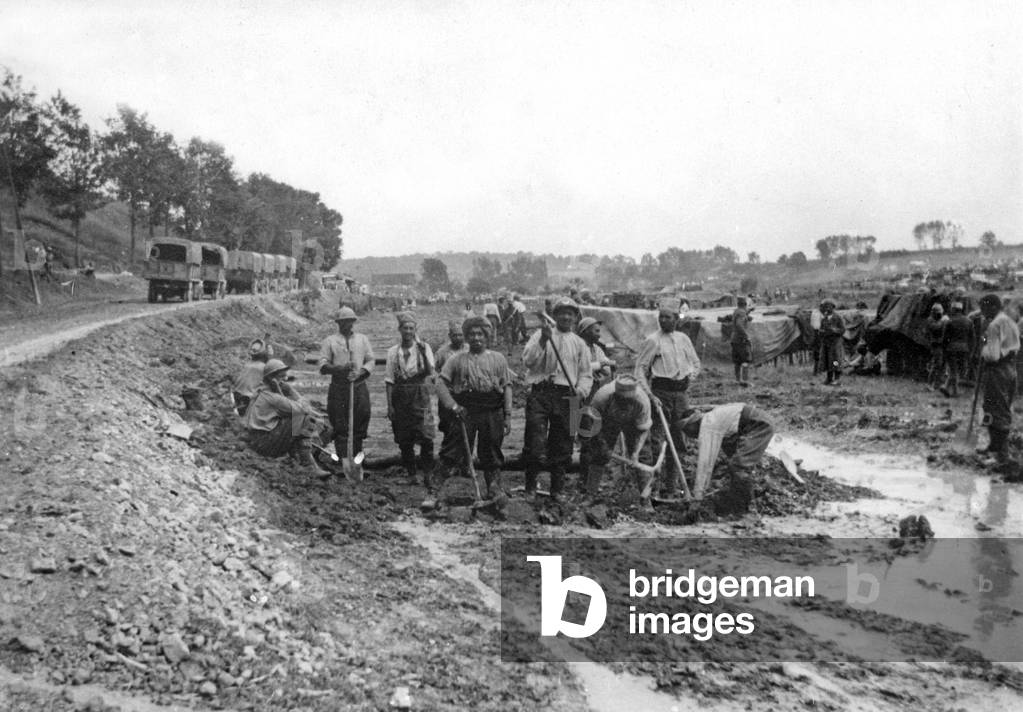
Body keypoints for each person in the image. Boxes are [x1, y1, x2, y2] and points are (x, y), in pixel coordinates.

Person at [521, 297, 593, 499]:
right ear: (555, 316)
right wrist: (543, 340)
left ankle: (557, 489)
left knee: (563, 444)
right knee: (535, 441)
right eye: (562, 313)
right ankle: (530, 487)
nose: (566, 317)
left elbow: (586, 374)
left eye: (570, 313)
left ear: (575, 318)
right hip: (540, 393)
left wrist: (581, 390)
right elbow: (528, 362)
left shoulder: (579, 344)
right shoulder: (540, 335)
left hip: (567, 396)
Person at [435, 317, 514, 497]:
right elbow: (440, 384)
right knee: (452, 451)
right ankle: (434, 491)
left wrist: (508, 415)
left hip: (492, 411)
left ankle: (494, 489)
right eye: (471, 334)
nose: (476, 338)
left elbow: (507, 386)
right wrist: (454, 407)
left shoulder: (498, 358)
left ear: (486, 336)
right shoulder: (457, 359)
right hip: (466, 412)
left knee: (491, 452)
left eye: (480, 334)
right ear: (466, 337)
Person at [634, 307, 701, 497]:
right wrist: (649, 395)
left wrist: (689, 378)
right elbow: (640, 370)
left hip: (681, 395)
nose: (663, 321)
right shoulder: (652, 341)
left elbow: (696, 363)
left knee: (678, 439)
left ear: (676, 320)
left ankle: (671, 488)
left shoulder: (683, 339)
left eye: (668, 317)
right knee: (658, 440)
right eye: (661, 317)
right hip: (660, 394)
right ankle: (653, 488)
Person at [678, 403, 775, 513]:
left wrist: (698, 496)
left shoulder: (708, 426)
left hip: (758, 424)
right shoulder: (713, 419)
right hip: (749, 423)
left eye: (686, 429)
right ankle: (738, 500)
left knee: (738, 466)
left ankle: (747, 509)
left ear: (693, 423)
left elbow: (705, 464)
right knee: (735, 462)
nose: (688, 434)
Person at [243, 359, 327, 476]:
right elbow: (304, 409)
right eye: (282, 377)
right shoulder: (272, 397)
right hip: (263, 444)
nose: (285, 379)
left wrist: (279, 389)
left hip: (257, 440)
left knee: (295, 420)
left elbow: (286, 407)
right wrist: (291, 391)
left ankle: (300, 455)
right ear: (272, 379)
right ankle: (308, 465)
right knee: (301, 417)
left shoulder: (262, 391)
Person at [578, 375, 652, 501]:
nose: (625, 402)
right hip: (607, 420)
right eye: (621, 399)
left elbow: (643, 431)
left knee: (643, 458)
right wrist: (602, 444)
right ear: (616, 394)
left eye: (628, 400)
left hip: (633, 423)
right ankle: (590, 494)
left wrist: (636, 452)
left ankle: (646, 499)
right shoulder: (602, 397)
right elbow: (592, 424)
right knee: (599, 455)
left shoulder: (642, 402)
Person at [384, 312, 437, 484]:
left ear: (415, 330)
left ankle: (428, 474)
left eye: (411, 328)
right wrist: (390, 405)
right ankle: (412, 475)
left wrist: (423, 352)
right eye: (405, 328)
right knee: (404, 438)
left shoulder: (424, 348)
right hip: (400, 395)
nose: (408, 331)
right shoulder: (393, 352)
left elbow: (430, 372)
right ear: (399, 330)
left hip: (419, 393)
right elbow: (389, 380)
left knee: (426, 436)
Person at [318, 307, 375, 464]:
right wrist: (340, 369)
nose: (347, 325)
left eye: (350, 321)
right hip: (339, 388)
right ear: (338, 323)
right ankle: (343, 460)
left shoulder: (362, 339)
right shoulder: (330, 341)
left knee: (361, 419)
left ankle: (356, 460)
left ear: (353, 322)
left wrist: (360, 372)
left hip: (358, 386)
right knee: (340, 423)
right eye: (343, 322)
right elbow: (322, 366)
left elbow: (370, 360)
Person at [978, 294, 1019, 467]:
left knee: (995, 409)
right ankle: (994, 446)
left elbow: (992, 355)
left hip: (997, 370)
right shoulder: (1010, 322)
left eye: (984, 308)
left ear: (993, 307)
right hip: (1010, 369)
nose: (982, 312)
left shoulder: (994, 325)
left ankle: (1001, 455)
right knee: (1001, 406)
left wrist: (983, 349)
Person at [434, 320, 470, 479]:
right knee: (449, 430)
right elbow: (434, 374)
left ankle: (466, 465)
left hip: (466, 395)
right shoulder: (442, 352)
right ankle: (449, 464)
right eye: (455, 335)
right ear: (450, 336)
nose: (458, 338)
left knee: (467, 431)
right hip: (448, 396)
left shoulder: (470, 349)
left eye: (461, 335)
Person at [940, 303, 974, 397]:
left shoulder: (950, 322)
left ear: (954, 309)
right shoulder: (969, 321)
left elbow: (945, 338)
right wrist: (970, 350)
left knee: (953, 370)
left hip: (951, 348)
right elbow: (972, 338)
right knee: (957, 370)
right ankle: (950, 389)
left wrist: (944, 349)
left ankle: (950, 389)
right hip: (964, 349)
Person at [577, 317, 615, 398]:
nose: (599, 335)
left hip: (593, 388)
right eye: (596, 331)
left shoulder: (596, 348)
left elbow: (607, 366)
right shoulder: (577, 346)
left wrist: (609, 365)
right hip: (578, 389)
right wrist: (599, 365)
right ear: (586, 331)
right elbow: (577, 368)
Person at [233, 338, 272, 415]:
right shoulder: (250, 363)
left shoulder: (262, 366)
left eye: (255, 349)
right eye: (252, 349)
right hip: (240, 393)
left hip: (247, 396)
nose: (253, 350)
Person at [818, 300, 844, 386]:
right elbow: (821, 329)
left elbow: (842, 330)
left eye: (829, 307)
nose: (827, 309)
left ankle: (837, 378)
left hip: (835, 343)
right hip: (826, 343)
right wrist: (821, 331)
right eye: (826, 307)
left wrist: (834, 330)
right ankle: (829, 378)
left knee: (835, 361)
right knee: (827, 360)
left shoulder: (838, 318)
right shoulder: (824, 319)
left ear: (833, 308)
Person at [925, 303, 949, 389]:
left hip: (943, 345)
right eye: (937, 312)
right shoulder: (930, 320)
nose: (939, 314)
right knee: (937, 364)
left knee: (943, 365)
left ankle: (938, 384)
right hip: (936, 345)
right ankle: (930, 383)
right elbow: (936, 328)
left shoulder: (942, 320)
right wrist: (943, 321)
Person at [731, 297, 753, 386]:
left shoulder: (736, 311)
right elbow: (739, 325)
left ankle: (738, 380)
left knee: (737, 361)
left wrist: (749, 312)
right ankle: (745, 381)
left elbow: (740, 318)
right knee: (745, 360)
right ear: (745, 305)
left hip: (734, 339)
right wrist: (746, 336)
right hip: (741, 340)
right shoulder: (742, 312)